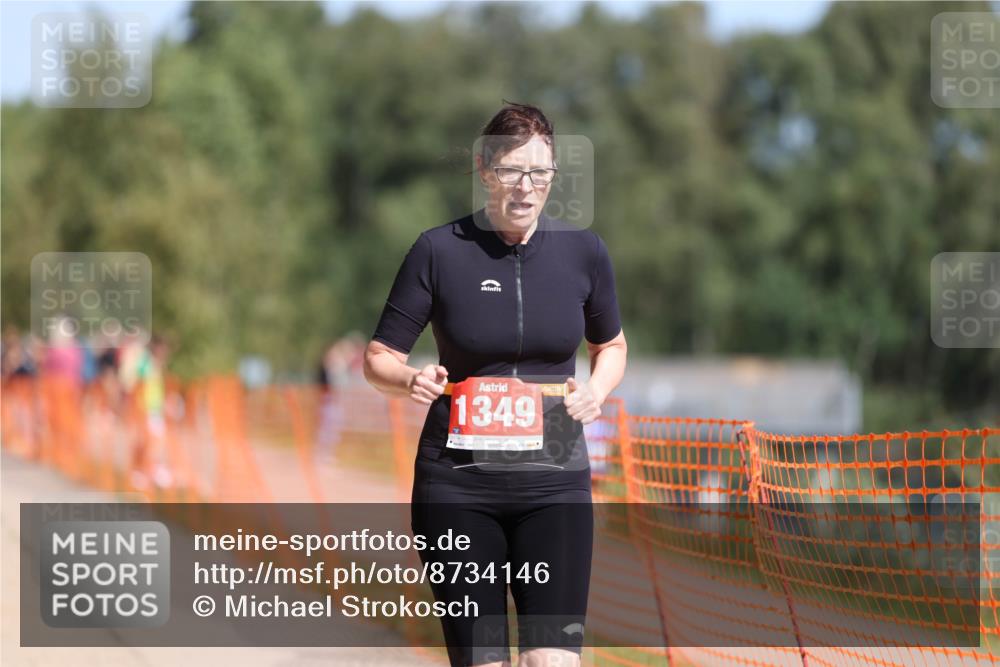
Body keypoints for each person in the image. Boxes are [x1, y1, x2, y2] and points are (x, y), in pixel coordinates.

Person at [364, 102, 627, 667]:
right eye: (512, 170)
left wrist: (598, 391)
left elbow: (611, 346)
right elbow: (378, 357)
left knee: (552, 660)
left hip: (554, 486)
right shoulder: (437, 251)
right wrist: (411, 378)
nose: (527, 186)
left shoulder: (586, 252)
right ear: (486, 171)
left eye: (541, 172)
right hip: (460, 488)